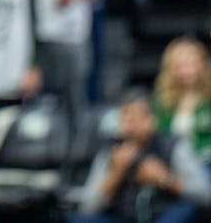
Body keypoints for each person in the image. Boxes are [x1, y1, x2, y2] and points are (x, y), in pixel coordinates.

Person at [76, 88, 211, 223]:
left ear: (151, 120)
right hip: (124, 217)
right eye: (125, 119)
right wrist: (115, 174)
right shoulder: (112, 150)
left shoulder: (173, 146)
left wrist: (165, 179)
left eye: (135, 119)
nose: (130, 126)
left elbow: (205, 194)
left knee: (186, 208)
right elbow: (87, 207)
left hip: (165, 216)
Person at [153, 38, 211, 165]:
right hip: (170, 164)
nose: (187, 71)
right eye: (181, 66)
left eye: (191, 64)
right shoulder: (160, 102)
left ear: (202, 65)